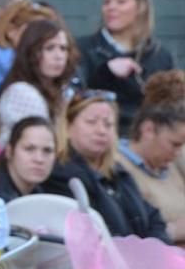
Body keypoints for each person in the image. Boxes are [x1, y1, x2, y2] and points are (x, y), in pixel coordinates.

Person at [43, 91, 169, 241]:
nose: (101, 131)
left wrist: (153, 250)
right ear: (68, 127)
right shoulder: (61, 175)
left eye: (108, 124)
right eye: (91, 122)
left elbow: (153, 218)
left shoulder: (118, 172)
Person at [78, 0, 175, 135]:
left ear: (141, 8)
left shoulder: (160, 55)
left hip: (147, 140)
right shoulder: (84, 48)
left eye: (121, 2)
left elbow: (170, 108)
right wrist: (107, 72)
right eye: (107, 2)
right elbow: (75, 97)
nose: (111, 7)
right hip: (100, 138)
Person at [116, 70, 185, 245]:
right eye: (175, 144)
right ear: (148, 130)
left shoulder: (172, 161)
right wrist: (174, 230)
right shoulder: (118, 167)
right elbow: (129, 236)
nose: (178, 151)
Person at [0, 19, 79, 144]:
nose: (59, 56)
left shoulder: (62, 91)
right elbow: (41, 144)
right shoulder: (22, 93)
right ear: (31, 52)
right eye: (50, 48)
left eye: (63, 48)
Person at [0, 116, 57, 202]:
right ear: (9, 151)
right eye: (29, 149)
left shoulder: (39, 195)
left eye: (47, 150)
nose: (39, 159)